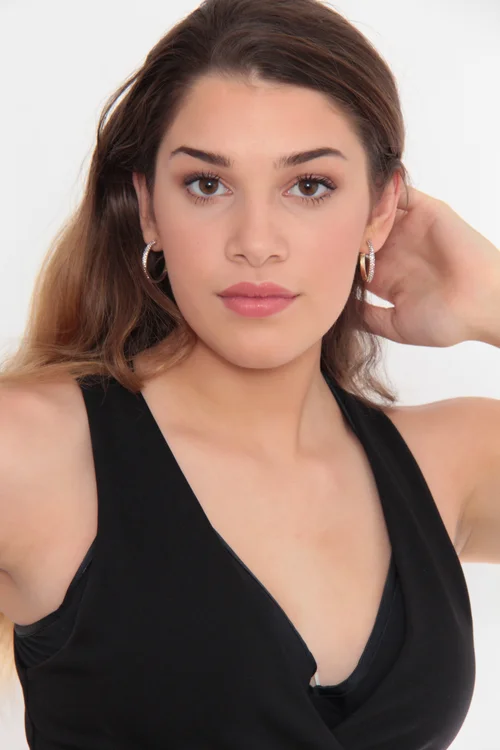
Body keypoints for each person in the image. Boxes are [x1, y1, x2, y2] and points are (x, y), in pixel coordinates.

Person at [0, 0, 499, 747]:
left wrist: (493, 302)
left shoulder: (449, 462)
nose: (256, 243)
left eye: (310, 186)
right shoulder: (29, 452)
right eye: (207, 184)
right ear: (148, 207)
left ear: (381, 207)